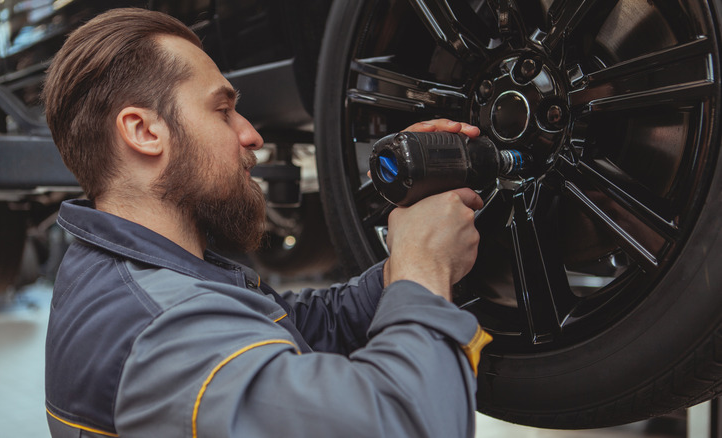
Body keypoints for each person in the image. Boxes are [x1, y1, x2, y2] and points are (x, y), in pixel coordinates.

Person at [42, 8, 490, 438]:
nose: (252, 134)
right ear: (143, 131)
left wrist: (413, 254)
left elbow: (306, 328)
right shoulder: (161, 326)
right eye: (222, 111)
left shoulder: (127, 272)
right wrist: (423, 273)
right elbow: (408, 425)